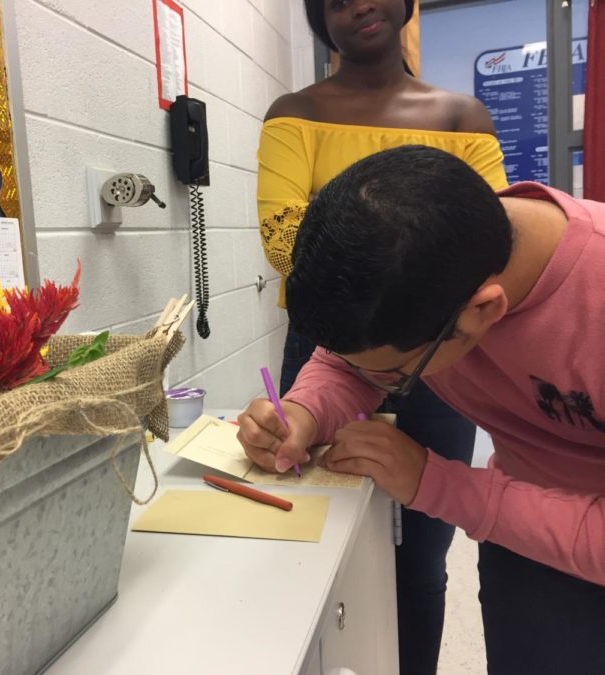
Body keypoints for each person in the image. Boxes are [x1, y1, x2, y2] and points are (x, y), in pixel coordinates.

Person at [239, 145, 605, 674]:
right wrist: (304, 411)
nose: (379, 381)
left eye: (395, 373)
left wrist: (437, 485)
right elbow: (346, 365)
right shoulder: (421, 266)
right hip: (524, 538)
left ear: (484, 311)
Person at [256, 1, 508, 671]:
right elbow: (286, 242)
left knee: (422, 550)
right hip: (334, 342)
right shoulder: (293, 111)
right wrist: (415, 255)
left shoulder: (462, 117)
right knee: (317, 522)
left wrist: (363, 245)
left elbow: (488, 240)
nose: (357, 5)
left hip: (438, 352)